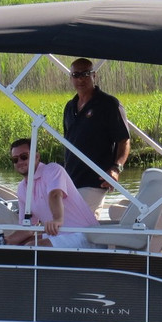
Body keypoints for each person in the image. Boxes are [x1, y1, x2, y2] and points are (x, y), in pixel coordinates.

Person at [62, 58, 131, 212]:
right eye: (76, 74)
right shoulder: (69, 107)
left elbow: (124, 140)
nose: (80, 79)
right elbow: (68, 143)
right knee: (81, 224)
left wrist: (116, 168)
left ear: (94, 76)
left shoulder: (109, 104)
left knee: (71, 220)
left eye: (86, 74)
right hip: (71, 180)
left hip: (95, 180)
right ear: (71, 78)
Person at [6, 138, 98, 248]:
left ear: (37, 156)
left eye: (24, 157)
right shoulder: (22, 188)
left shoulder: (52, 169)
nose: (20, 162)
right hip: (59, 235)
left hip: (84, 235)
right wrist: (8, 240)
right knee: (20, 243)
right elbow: (27, 228)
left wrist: (57, 220)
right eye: (15, 159)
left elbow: (55, 194)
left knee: (31, 246)